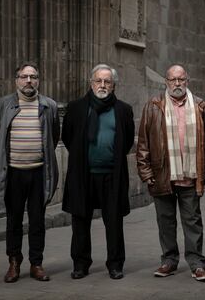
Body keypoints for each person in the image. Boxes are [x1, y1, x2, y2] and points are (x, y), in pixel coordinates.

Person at [136, 64, 205, 282]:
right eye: (172, 80)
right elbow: (143, 143)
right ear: (166, 82)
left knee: (192, 221)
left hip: (190, 177)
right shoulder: (153, 106)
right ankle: (169, 261)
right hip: (162, 176)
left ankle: (197, 264)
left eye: (181, 79)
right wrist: (146, 172)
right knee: (165, 222)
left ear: (187, 80)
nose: (177, 84)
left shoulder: (200, 106)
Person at [62, 64, 134, 280]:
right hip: (83, 174)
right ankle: (80, 264)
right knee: (80, 220)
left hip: (112, 175)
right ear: (91, 83)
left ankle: (115, 264)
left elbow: (127, 141)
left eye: (107, 81)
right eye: (98, 81)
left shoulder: (123, 110)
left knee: (114, 221)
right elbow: (68, 138)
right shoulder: (76, 108)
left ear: (113, 85)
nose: (102, 85)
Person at [0, 62, 60, 283]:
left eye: (33, 76)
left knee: (38, 220)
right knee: (14, 220)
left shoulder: (49, 105)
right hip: (14, 173)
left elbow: (54, 137)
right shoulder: (4, 105)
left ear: (38, 80)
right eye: (24, 76)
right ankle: (14, 263)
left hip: (38, 172)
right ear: (16, 80)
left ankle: (36, 263)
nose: (29, 81)